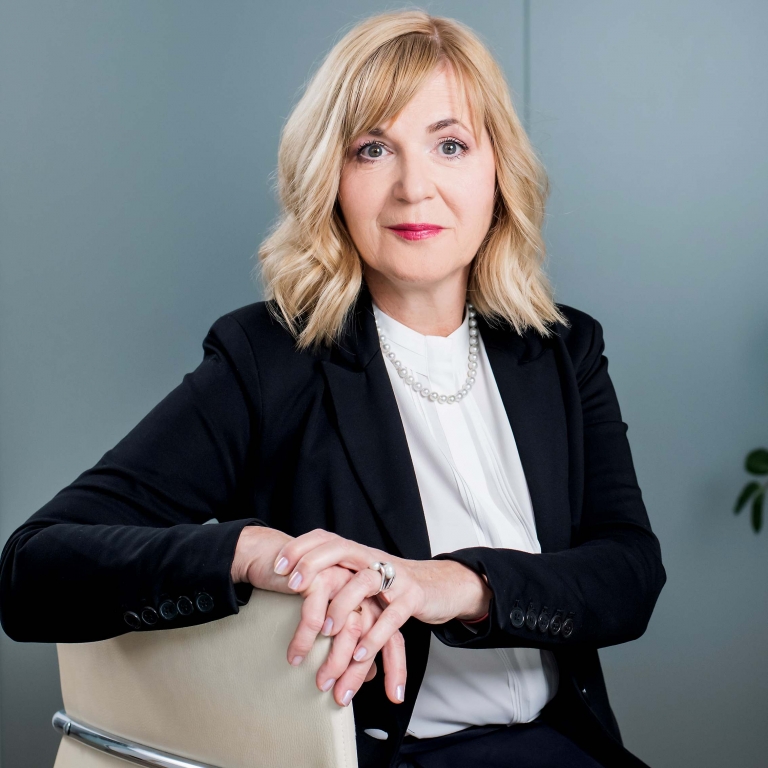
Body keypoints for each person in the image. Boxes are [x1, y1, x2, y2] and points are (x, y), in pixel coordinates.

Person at [0, 9, 666, 768]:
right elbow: (32, 569)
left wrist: (456, 584)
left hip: (561, 745)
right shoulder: (268, 360)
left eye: (450, 145)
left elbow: (629, 573)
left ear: (497, 171)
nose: (415, 188)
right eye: (372, 149)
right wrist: (251, 553)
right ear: (332, 178)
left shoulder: (561, 349)